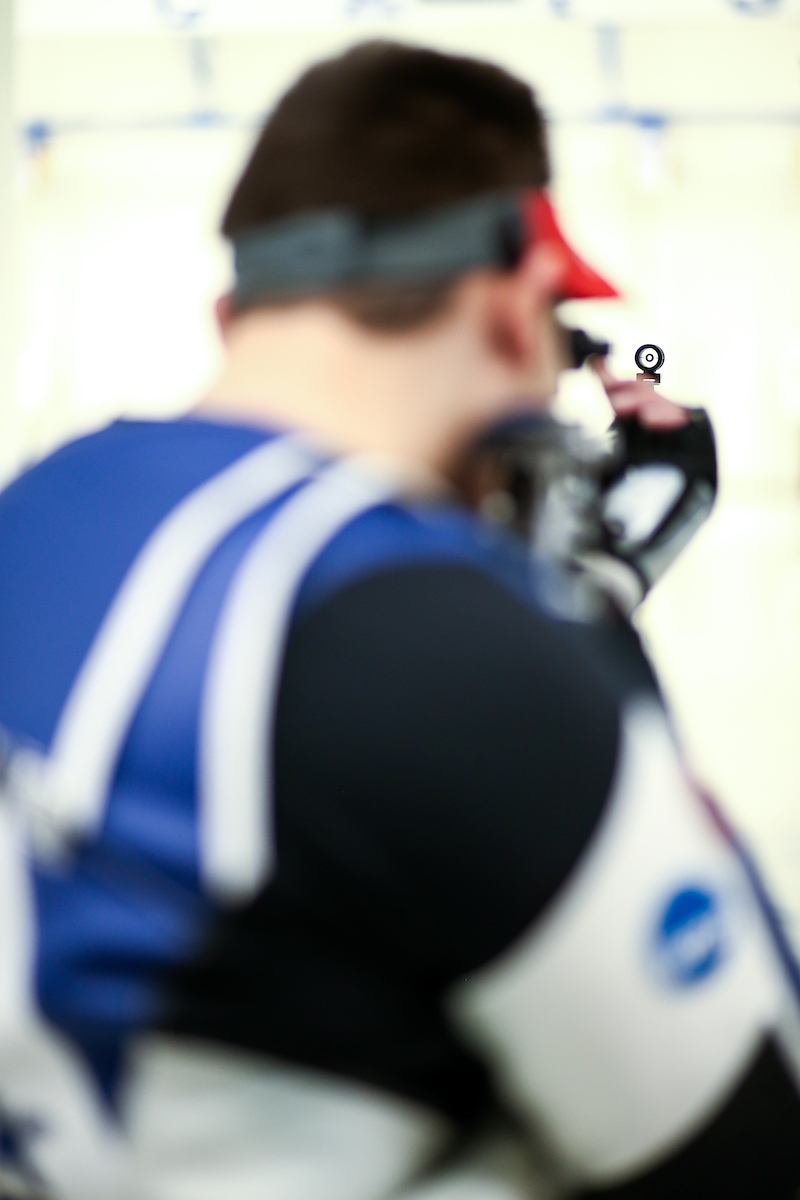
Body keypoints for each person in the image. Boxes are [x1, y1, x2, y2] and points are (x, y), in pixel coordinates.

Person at [0, 39, 799, 1200]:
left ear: (233, 310)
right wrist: (582, 642)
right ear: (510, 308)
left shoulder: (35, 512)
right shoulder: (445, 647)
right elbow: (755, 1126)